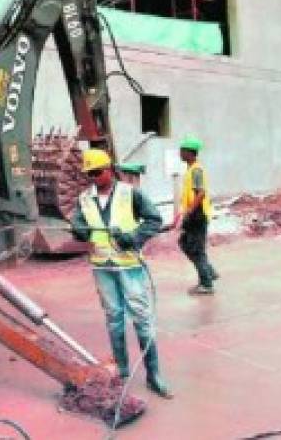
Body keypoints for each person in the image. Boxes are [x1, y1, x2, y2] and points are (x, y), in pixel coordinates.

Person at [70, 148, 172, 399]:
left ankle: (153, 374)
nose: (93, 178)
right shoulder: (84, 199)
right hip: (102, 266)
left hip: (129, 266)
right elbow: (77, 224)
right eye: (89, 174)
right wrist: (80, 230)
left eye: (97, 172)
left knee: (141, 317)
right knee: (114, 317)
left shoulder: (130, 194)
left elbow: (153, 220)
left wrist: (133, 238)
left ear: (110, 169)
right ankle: (123, 370)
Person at [175, 135, 219, 295]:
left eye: (182, 150)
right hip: (193, 215)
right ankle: (208, 272)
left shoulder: (196, 170)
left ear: (190, 153)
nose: (180, 153)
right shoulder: (190, 169)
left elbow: (200, 193)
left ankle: (206, 284)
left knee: (196, 249)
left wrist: (189, 211)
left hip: (197, 215)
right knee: (185, 243)